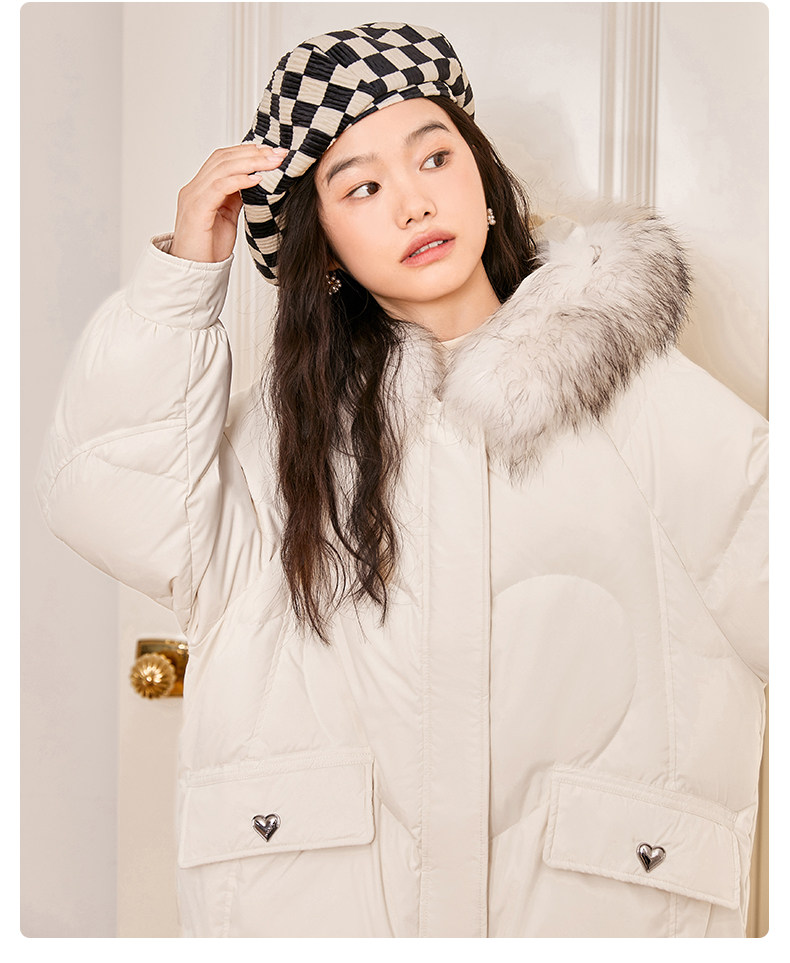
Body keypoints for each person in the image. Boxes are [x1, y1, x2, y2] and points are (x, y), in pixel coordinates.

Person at [36, 22, 767, 938]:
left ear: (485, 182)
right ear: (325, 251)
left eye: (435, 158)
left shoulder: (634, 392)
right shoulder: (287, 436)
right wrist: (184, 279)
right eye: (363, 187)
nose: (415, 203)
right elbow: (110, 500)